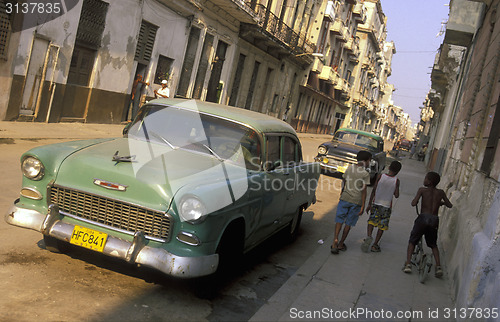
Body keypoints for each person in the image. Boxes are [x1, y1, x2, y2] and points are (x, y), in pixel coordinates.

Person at [403, 171, 453, 277]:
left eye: (425, 178)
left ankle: (408, 264)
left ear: (429, 182)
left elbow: (413, 203)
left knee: (412, 241)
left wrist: (416, 201)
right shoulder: (441, 192)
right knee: (433, 244)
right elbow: (450, 205)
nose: (424, 180)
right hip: (434, 220)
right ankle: (438, 267)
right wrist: (441, 203)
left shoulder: (422, 190)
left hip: (423, 218)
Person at [331, 150, 372, 254]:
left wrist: (342, 192)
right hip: (356, 201)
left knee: (339, 220)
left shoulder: (349, 168)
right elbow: (364, 190)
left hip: (345, 198)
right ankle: (341, 244)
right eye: (369, 160)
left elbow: (344, 181)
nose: (369, 162)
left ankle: (335, 241)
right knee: (348, 223)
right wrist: (363, 205)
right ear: (365, 161)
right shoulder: (365, 173)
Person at [362, 160, 402, 253]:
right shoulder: (396, 181)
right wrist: (396, 187)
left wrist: (369, 204)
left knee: (371, 221)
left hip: (376, 203)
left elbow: (374, 190)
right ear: (398, 171)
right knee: (382, 226)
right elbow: (396, 195)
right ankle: (375, 244)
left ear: (389, 167)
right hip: (387, 206)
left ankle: (369, 236)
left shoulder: (380, 176)